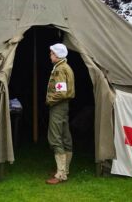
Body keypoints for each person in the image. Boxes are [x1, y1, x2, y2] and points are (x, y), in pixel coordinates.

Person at [45, 43, 75, 185]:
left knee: (55, 137)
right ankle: (64, 170)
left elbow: (61, 93)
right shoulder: (64, 67)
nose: (50, 56)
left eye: (51, 54)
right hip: (64, 106)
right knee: (65, 136)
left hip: (58, 106)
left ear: (57, 55)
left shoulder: (60, 69)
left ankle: (61, 174)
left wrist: (49, 100)